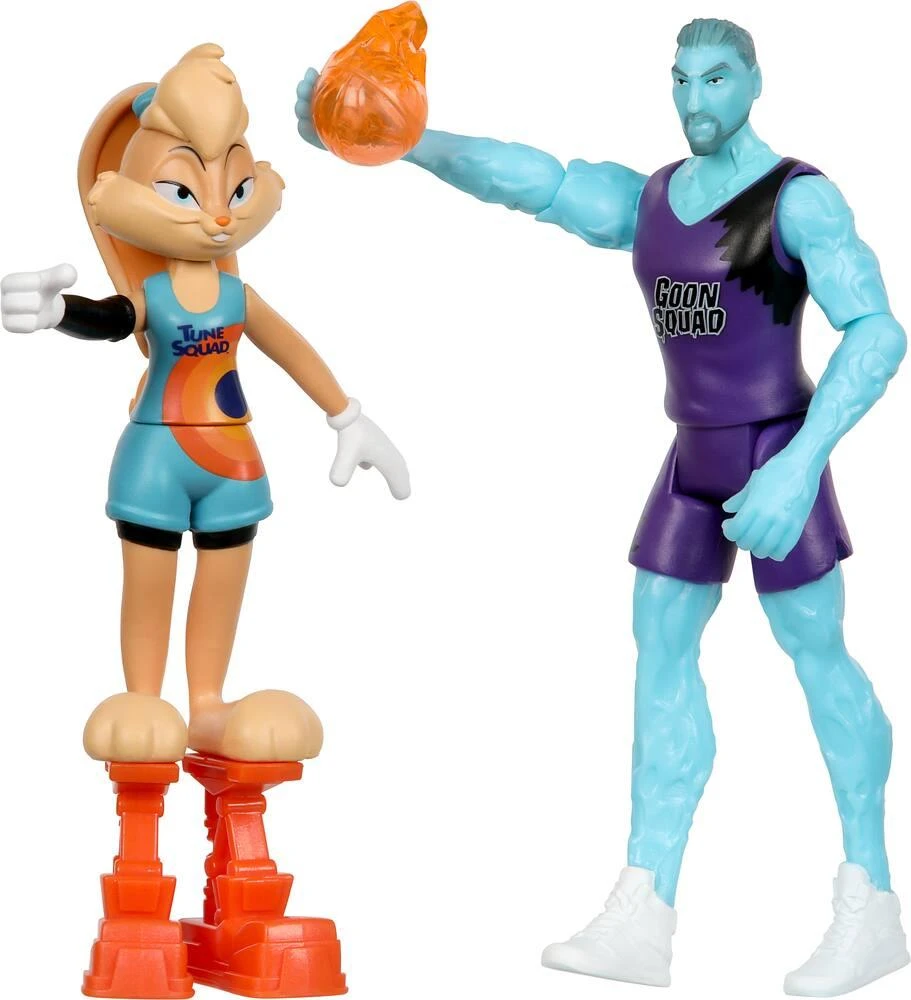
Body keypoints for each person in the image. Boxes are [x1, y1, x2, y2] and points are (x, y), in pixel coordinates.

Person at [296, 17, 907, 995]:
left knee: (815, 650)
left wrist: (799, 467)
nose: (695, 98)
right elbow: (531, 181)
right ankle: (644, 906)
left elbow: (876, 331)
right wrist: (400, 139)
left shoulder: (797, 200)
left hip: (773, 449)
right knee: (658, 648)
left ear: (754, 83)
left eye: (716, 78)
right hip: (691, 456)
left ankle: (869, 897)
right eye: (681, 79)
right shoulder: (651, 200)